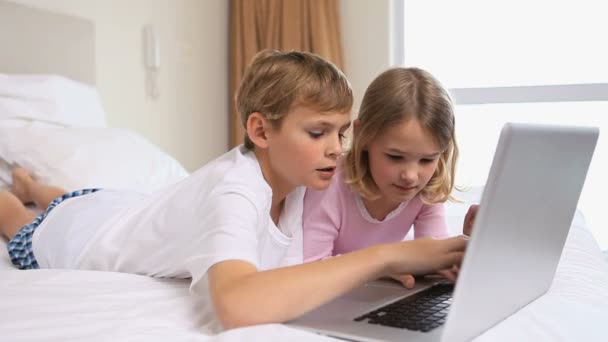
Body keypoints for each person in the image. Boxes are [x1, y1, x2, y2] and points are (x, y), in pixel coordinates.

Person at [0, 50, 467, 333]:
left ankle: (35, 184)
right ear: (261, 131)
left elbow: (325, 257)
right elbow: (237, 305)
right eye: (318, 132)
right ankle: (19, 190)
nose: (335, 150)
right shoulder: (235, 190)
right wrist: (384, 259)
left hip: (116, 205)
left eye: (340, 133)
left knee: (68, 196)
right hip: (74, 236)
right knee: (23, 219)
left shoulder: (309, 179)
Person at [303, 67, 477, 288]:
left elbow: (434, 255)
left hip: (372, 298)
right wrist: (380, 267)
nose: (411, 176)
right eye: (395, 157)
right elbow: (309, 267)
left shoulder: (427, 190)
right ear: (363, 135)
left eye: (427, 160)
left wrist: (465, 248)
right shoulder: (330, 184)